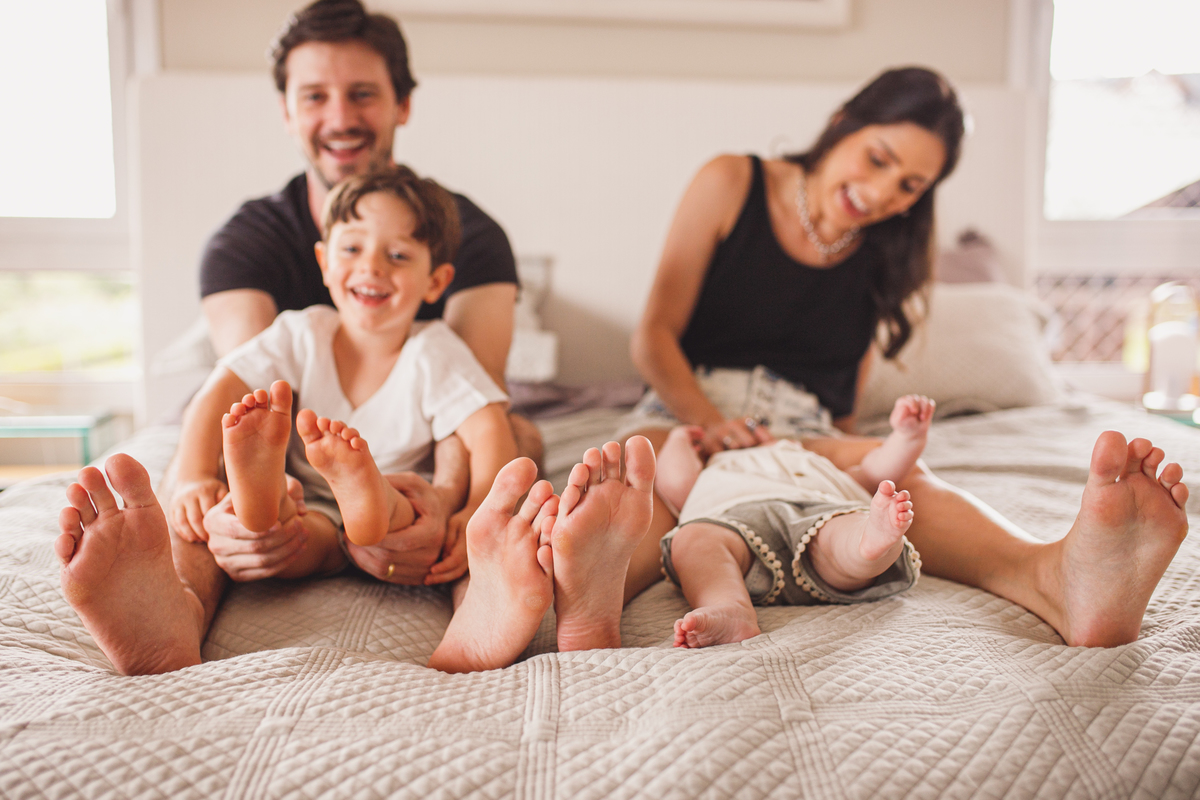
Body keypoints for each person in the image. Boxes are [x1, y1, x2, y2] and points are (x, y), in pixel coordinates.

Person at [623, 66, 1191, 648]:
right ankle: (585, 589)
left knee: (898, 475)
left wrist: (842, 461)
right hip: (685, 410)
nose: (881, 194)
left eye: (909, 185)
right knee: (639, 477)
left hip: (794, 429)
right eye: (877, 158)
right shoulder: (731, 181)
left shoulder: (887, 249)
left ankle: (1054, 579)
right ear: (844, 123)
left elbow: (843, 394)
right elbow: (654, 336)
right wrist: (709, 425)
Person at [188, 0, 542, 592]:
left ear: (403, 104)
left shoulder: (470, 238)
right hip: (295, 469)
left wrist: (453, 513)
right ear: (287, 112)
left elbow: (478, 420)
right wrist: (191, 478)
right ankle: (194, 589)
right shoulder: (247, 245)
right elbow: (243, 401)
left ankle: (371, 522)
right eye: (315, 97)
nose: (339, 117)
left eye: (362, 94)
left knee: (522, 445)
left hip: (411, 467)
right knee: (220, 500)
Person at [173, 166, 512, 591]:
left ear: (436, 282)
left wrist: (478, 512)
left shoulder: (434, 350)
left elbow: (489, 431)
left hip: (396, 517)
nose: (371, 266)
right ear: (325, 264)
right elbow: (218, 392)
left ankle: (364, 494)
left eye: (398, 256)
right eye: (352, 248)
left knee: (396, 511)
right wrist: (195, 474)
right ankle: (265, 505)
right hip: (309, 502)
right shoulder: (301, 332)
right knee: (293, 541)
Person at [658, 395, 933, 649]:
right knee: (693, 540)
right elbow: (675, 481)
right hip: (732, 521)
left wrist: (907, 437)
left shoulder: (809, 460)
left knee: (843, 528)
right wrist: (679, 439)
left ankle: (867, 543)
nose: (750, 435)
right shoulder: (716, 466)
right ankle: (729, 607)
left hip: (815, 515)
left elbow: (875, 471)